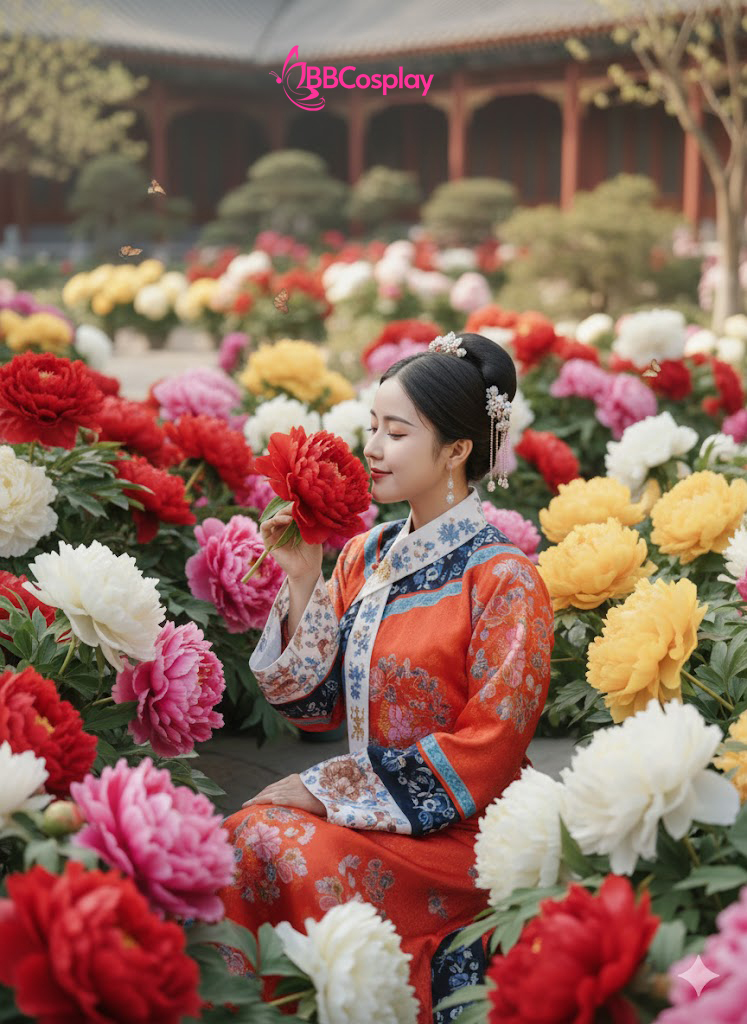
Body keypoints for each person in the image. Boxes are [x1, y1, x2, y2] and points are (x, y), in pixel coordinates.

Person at [219, 332, 555, 1022]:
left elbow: (486, 754)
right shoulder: (362, 557)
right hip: (369, 818)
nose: (371, 447)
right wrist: (305, 575)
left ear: (458, 450)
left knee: (271, 839)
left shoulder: (505, 580)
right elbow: (310, 712)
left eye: (396, 431)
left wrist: (327, 791)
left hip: (462, 834)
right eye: (371, 426)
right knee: (246, 835)